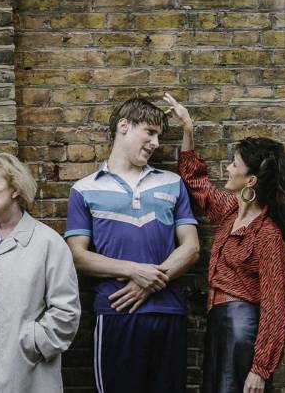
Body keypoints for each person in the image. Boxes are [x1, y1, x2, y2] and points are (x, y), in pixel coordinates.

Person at [164, 94, 285, 393]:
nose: (227, 168)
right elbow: (194, 181)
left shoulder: (267, 234)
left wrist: (260, 368)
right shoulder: (229, 211)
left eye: (234, 164)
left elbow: (274, 307)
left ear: (250, 180)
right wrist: (187, 128)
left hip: (242, 331)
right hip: (219, 326)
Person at [65, 97, 201, 393]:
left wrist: (148, 282)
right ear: (124, 126)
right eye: (149, 133)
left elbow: (191, 248)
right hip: (116, 312)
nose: (155, 143)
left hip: (168, 313)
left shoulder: (172, 183)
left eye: (159, 137)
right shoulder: (84, 189)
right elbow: (77, 256)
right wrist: (135, 271)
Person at [0, 153, 80, 392]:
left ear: (15, 189)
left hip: (24, 373)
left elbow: (66, 312)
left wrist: (30, 343)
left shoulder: (47, 243)